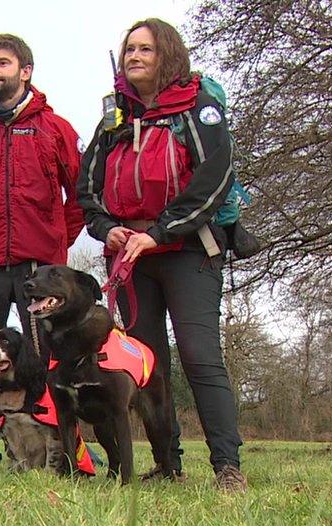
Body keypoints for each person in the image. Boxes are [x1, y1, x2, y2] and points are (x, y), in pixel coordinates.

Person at [76, 18, 247, 491]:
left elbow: (214, 179)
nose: (134, 56)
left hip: (190, 249)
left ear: (166, 54)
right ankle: (167, 464)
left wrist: (159, 231)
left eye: (145, 49)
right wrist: (107, 229)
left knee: (199, 356)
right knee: (146, 362)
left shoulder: (199, 108)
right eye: (129, 48)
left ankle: (227, 466)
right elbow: (87, 189)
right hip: (131, 260)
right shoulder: (113, 120)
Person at [0, 33, 84, 472]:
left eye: (2, 63)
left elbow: (80, 194)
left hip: (39, 268)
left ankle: (58, 456)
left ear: (25, 71)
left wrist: (58, 244)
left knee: (42, 362)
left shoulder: (56, 129)